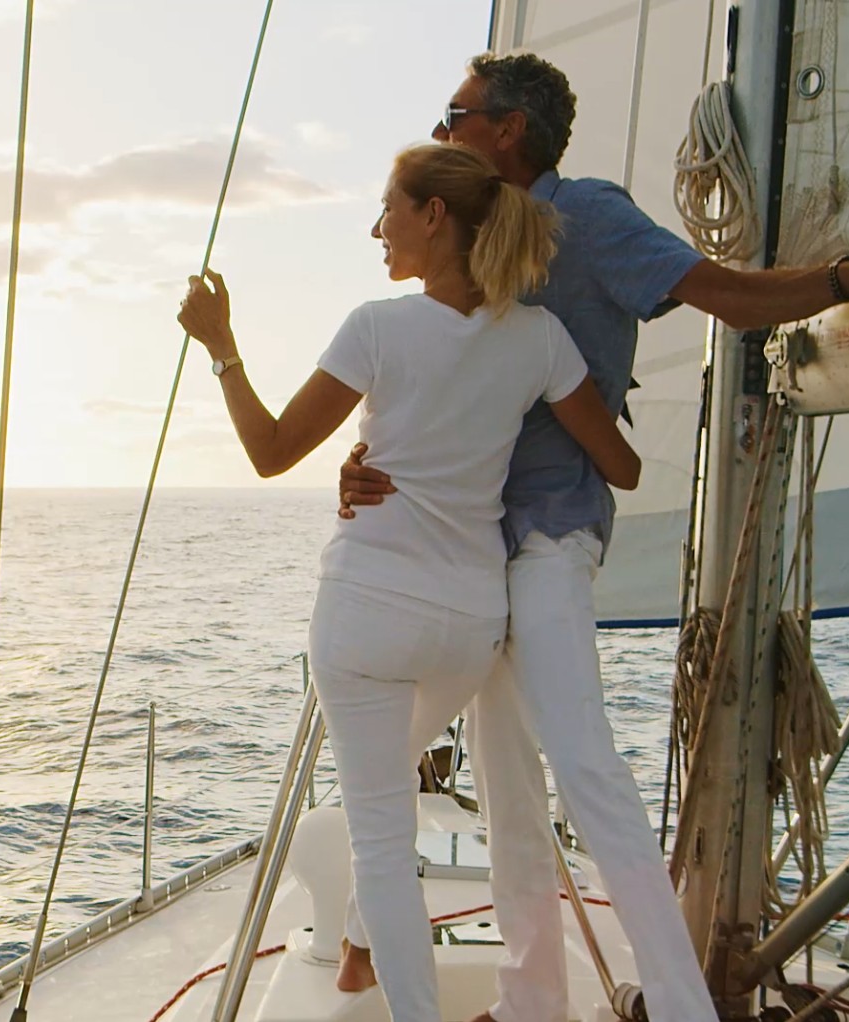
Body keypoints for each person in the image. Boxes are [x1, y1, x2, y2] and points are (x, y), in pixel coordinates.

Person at [333, 53, 849, 1022]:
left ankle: (679, 1006)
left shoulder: (586, 216)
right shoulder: (472, 239)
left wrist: (840, 276)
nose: (442, 131)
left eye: (455, 115)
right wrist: (362, 461)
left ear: (508, 130)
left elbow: (728, 298)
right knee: (507, 787)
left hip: (547, 533)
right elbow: (427, 387)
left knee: (583, 766)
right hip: (471, 548)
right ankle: (530, 1000)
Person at [177, 141, 641, 1022]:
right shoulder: (540, 339)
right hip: (469, 627)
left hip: (368, 615)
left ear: (434, 216)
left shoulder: (376, 327)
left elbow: (270, 452)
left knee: (382, 839)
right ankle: (357, 956)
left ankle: (388, 981)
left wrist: (222, 347)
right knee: (386, 791)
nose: (377, 229)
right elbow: (622, 466)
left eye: (388, 210)